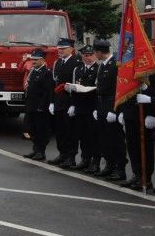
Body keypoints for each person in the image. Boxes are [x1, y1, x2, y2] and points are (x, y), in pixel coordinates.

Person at [93, 39, 126, 180]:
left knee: (115, 139)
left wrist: (115, 110)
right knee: (104, 138)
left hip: (112, 105)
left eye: (95, 52)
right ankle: (109, 165)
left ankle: (120, 168)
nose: (95, 55)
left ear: (99, 52)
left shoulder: (115, 65)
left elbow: (119, 89)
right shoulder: (102, 65)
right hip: (101, 105)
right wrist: (96, 108)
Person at [65, 45, 99, 173]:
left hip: (92, 107)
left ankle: (95, 162)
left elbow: (98, 90)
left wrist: (97, 108)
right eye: (86, 55)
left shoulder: (98, 69)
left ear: (95, 55)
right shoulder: (77, 69)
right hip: (80, 107)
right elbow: (75, 88)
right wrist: (73, 104)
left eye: (90, 55)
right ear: (82, 56)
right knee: (83, 136)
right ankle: (85, 159)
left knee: (93, 136)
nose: (88, 57)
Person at [48, 38, 79, 166]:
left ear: (71, 49)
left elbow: (76, 85)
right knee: (60, 130)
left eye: (63, 49)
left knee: (70, 131)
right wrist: (52, 101)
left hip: (69, 100)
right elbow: (54, 84)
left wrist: (73, 104)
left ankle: (71, 157)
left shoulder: (76, 62)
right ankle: (62, 154)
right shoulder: (57, 63)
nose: (59, 51)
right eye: (59, 49)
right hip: (59, 101)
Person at [20, 48, 54, 161]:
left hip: (40, 107)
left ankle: (41, 151)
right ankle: (35, 149)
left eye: (36, 60)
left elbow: (47, 91)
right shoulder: (33, 71)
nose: (33, 62)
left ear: (43, 60)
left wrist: (43, 106)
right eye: (33, 59)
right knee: (30, 128)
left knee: (41, 129)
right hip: (31, 105)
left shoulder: (47, 72)